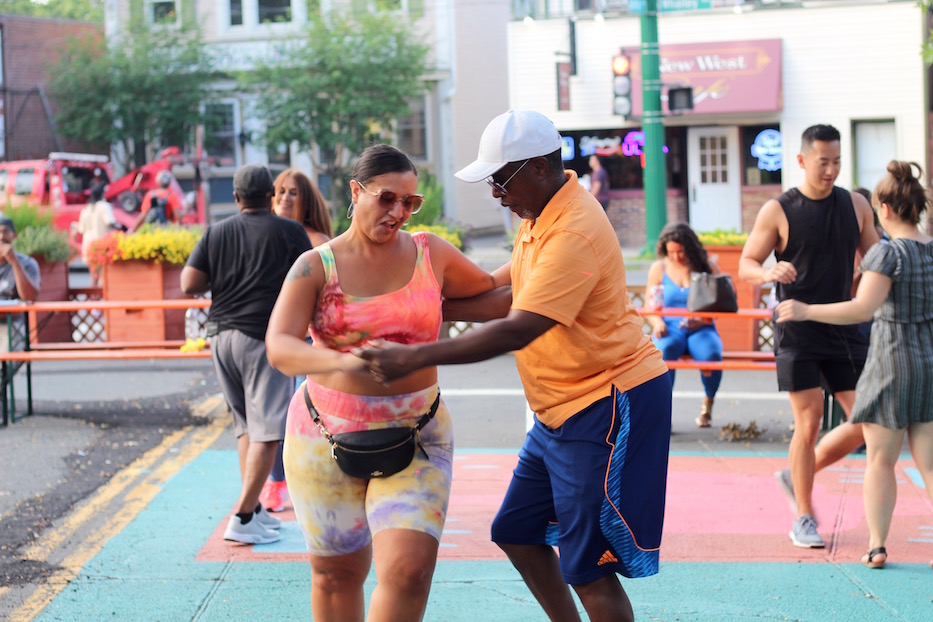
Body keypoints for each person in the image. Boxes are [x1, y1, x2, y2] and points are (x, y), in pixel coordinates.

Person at [359, 110, 672, 622]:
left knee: (590, 568)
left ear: (539, 169)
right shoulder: (539, 219)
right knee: (517, 533)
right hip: (560, 410)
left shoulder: (572, 229)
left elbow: (518, 325)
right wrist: (410, 308)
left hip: (606, 403)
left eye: (499, 179)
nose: (496, 194)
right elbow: (497, 293)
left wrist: (414, 354)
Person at [264, 144, 500, 621]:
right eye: (387, 198)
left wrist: (548, 252)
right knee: (335, 576)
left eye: (410, 203)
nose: (399, 212)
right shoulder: (315, 265)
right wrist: (347, 363)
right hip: (324, 433)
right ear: (357, 191)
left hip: (419, 433)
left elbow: (491, 292)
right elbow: (280, 346)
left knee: (409, 571)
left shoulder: (429, 252)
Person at [775, 160, 933, 570]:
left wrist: (808, 311)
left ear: (884, 210)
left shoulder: (886, 254)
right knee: (930, 463)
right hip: (928, 361)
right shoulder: (930, 251)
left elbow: (863, 308)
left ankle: (878, 545)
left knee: (881, 460)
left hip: (891, 362)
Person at [739, 124, 880, 549]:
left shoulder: (855, 206)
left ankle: (795, 475)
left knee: (869, 420)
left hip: (843, 323)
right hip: (796, 326)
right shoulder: (778, 210)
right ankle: (803, 514)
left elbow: (876, 258)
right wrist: (767, 271)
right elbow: (746, 262)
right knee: (810, 420)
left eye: (837, 162)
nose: (831, 170)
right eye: (823, 162)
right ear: (802, 161)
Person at [180, 164, 311, 544]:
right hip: (263, 337)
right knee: (269, 430)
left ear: (236, 197)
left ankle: (253, 511)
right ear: (270, 194)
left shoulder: (216, 232)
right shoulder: (288, 231)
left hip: (221, 337)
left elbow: (190, 283)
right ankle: (241, 516)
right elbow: (316, 274)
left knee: (247, 428)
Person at [258, 169, 334, 513]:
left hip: (309, 341)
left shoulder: (319, 242)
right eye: (279, 192)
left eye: (293, 192)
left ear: (306, 199)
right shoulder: (262, 233)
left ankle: (319, 478)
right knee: (274, 415)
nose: (285, 198)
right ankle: (276, 483)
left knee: (313, 415)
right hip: (269, 339)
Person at [644, 222, 725, 428]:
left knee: (711, 354)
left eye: (680, 252)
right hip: (669, 328)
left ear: (690, 248)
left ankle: (708, 400)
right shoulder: (659, 268)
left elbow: (724, 302)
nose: (676, 257)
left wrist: (704, 319)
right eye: (671, 252)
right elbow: (650, 305)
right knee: (663, 352)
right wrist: (657, 322)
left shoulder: (706, 266)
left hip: (701, 327)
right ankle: (663, 413)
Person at [0, 215, 40, 352]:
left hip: (12, 325)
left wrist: (14, 261)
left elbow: (29, 297)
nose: (1, 237)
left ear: (14, 235)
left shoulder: (27, 263)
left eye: (5, 232)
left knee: (8, 345)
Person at [71, 182, 118, 283]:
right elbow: (109, 222)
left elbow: (81, 229)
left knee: (94, 274)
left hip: (88, 244)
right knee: (103, 275)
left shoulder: (86, 209)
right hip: (101, 243)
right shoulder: (104, 206)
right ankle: (101, 296)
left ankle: (93, 296)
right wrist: (118, 228)